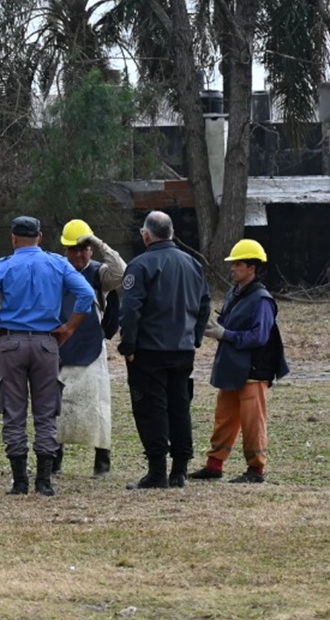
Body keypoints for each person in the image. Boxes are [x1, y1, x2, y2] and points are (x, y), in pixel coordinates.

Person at [0, 215, 97, 496]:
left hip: (11, 344)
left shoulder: (2, 267)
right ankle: (44, 481)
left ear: (14, 239)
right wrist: (70, 327)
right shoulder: (57, 263)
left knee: (13, 412)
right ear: (40, 238)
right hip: (46, 344)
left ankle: (19, 481)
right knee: (46, 411)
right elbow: (86, 294)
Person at [117, 210, 211, 490]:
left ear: (146, 235)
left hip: (149, 350)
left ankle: (157, 471)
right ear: (171, 233)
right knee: (179, 408)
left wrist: (128, 345)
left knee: (151, 409)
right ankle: (179, 471)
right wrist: (194, 338)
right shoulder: (193, 264)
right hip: (182, 350)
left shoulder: (140, 265)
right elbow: (204, 304)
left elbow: (131, 309)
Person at [189, 239, 289, 484]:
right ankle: (214, 466)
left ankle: (256, 471)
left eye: (237, 264)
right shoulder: (236, 292)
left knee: (252, 422)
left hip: (253, 371)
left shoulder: (262, 299)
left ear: (251, 268)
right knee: (224, 418)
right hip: (233, 369)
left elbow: (259, 336)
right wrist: (217, 326)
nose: (232, 268)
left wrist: (225, 334)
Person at [52, 218, 127, 479]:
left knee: (98, 405)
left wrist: (97, 240)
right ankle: (54, 459)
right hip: (59, 347)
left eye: (84, 248)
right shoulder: (55, 272)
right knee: (57, 407)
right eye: (74, 249)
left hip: (92, 348)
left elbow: (121, 273)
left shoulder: (98, 273)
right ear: (65, 251)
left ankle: (102, 462)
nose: (79, 254)